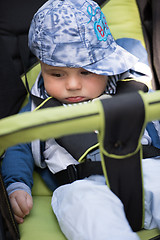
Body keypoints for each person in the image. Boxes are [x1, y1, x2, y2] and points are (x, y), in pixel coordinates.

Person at [2, 0, 160, 239]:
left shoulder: (131, 83)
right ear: (43, 69)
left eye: (86, 71)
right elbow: (17, 143)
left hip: (145, 169)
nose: (73, 85)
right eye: (56, 74)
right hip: (83, 186)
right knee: (79, 205)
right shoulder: (37, 108)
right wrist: (17, 185)